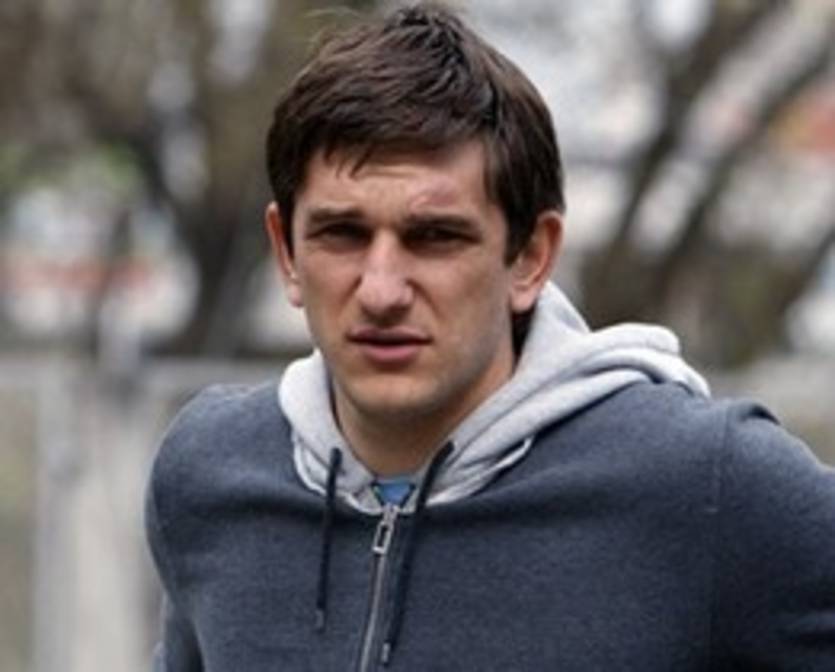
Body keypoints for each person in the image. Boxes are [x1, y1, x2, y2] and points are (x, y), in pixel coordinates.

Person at [144, 3, 835, 670]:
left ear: (530, 256)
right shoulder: (211, 473)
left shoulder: (709, 485)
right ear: (286, 251)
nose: (381, 290)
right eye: (342, 234)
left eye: (434, 237)